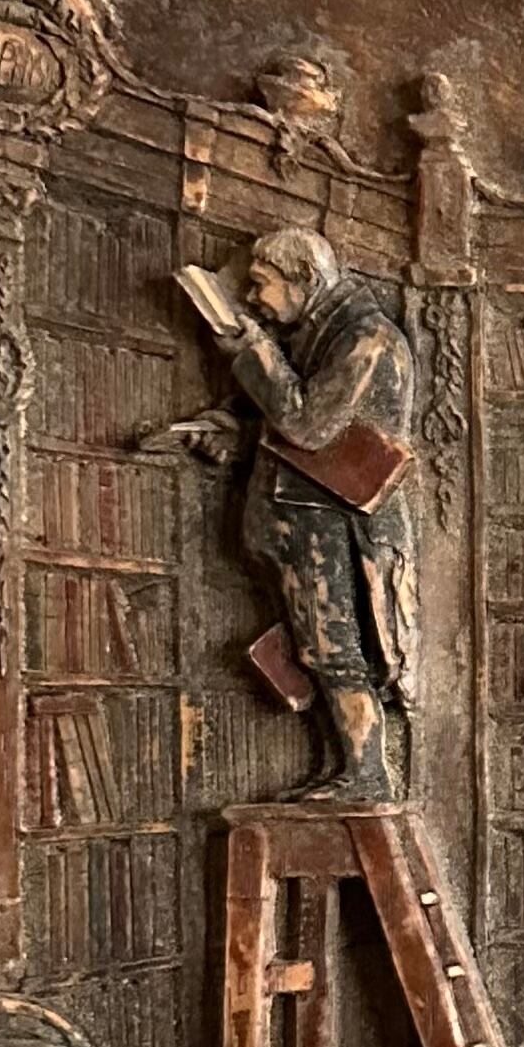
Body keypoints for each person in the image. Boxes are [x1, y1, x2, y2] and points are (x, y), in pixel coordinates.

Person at [177, 226, 420, 803]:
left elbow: (308, 426)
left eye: (262, 284)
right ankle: (350, 768)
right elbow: (300, 434)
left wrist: (251, 350)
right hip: (307, 521)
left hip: (334, 525)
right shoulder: (322, 335)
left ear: (305, 279)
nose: (254, 299)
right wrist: (233, 435)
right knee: (317, 646)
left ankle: (368, 775)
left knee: (334, 647)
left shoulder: (367, 339)